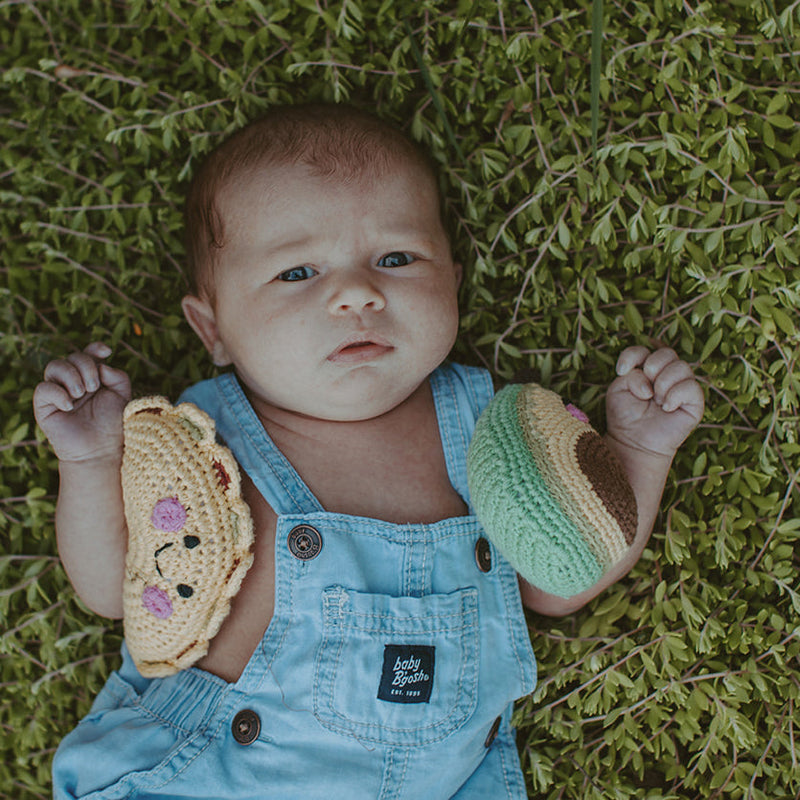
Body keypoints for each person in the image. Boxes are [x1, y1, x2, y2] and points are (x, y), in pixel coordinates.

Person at [34, 103, 704, 799]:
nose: (357, 292)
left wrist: (639, 454)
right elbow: (112, 589)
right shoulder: (196, 442)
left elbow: (560, 576)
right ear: (214, 329)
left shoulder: (491, 435)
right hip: (205, 776)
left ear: (452, 276)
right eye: (297, 273)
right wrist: (87, 462)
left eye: (396, 258)